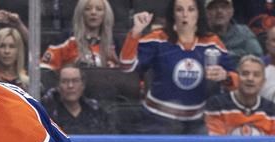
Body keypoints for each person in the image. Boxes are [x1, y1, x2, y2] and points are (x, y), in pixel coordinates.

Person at [120, 0, 237, 134]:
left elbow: (236, 81)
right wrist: (136, 32)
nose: (185, 15)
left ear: (199, 14)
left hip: (197, 121)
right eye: (179, 10)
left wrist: (225, 77)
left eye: (191, 9)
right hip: (157, 119)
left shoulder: (212, 43)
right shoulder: (157, 39)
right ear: (173, 14)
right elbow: (126, 66)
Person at [40, 0, 120, 76]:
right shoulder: (67, 39)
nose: (93, 12)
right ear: (81, 13)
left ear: (105, 14)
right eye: (87, 9)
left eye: (99, 9)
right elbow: (44, 69)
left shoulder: (113, 43)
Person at [204, 55, 275, 133]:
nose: (250, 78)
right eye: (245, 74)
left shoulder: (271, 110)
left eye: (256, 75)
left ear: (263, 82)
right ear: (237, 77)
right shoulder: (217, 104)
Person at [41, 64, 115, 133]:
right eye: (65, 81)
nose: (70, 86)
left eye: (75, 81)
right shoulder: (49, 116)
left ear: (83, 85)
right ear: (58, 86)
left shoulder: (97, 113)